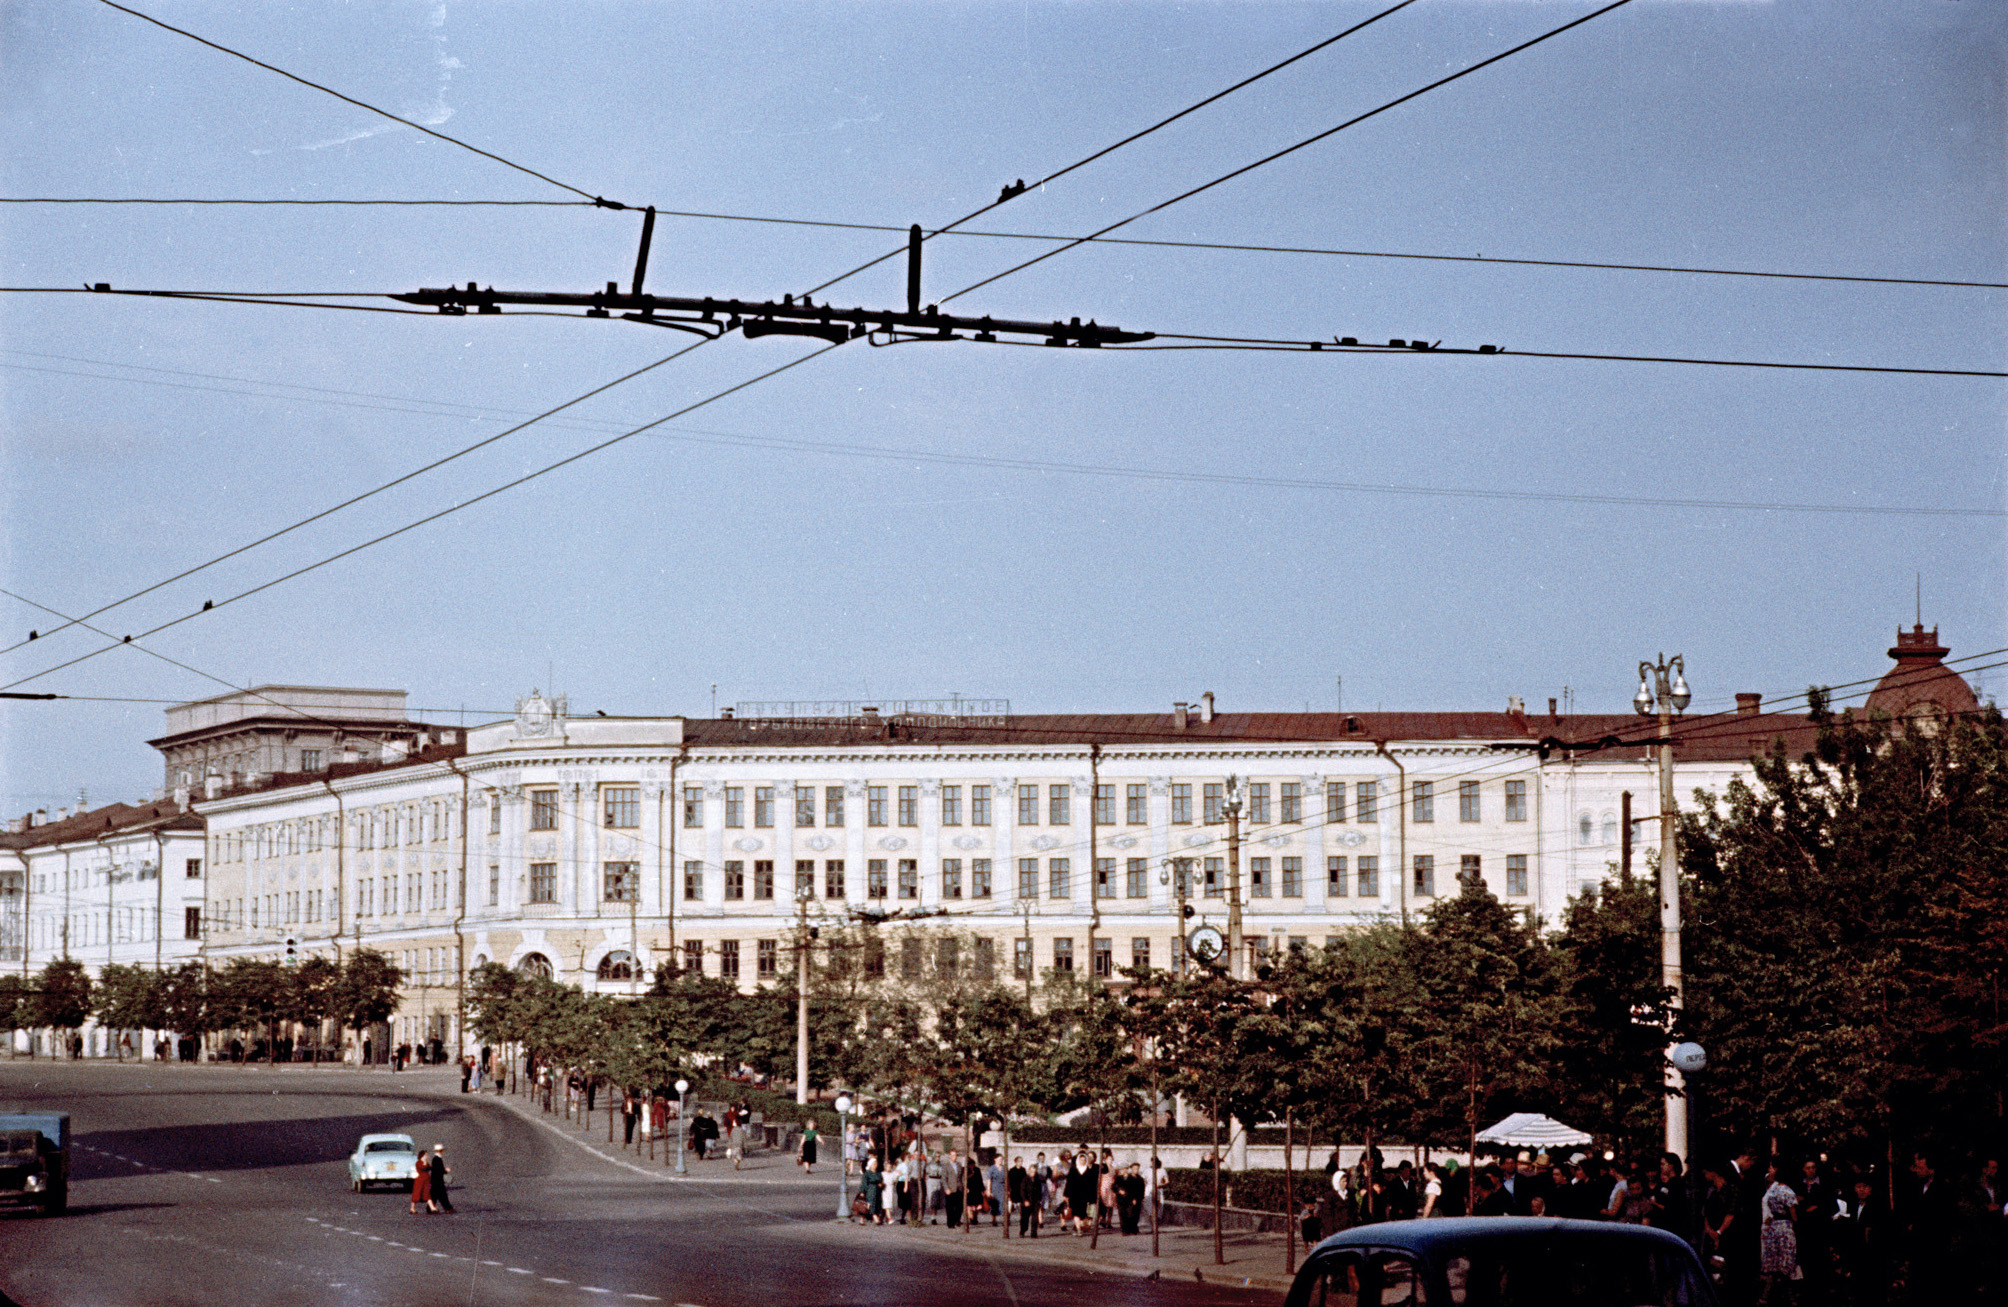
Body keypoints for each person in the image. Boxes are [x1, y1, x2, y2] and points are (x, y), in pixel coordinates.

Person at [1758, 1158, 1799, 1306]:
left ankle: (1765, 1296)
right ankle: (1790, 1297)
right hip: (1785, 1228)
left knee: (1773, 1265)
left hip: (1772, 1227)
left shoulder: (1772, 1190)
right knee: (1785, 1264)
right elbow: (1794, 1215)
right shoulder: (1788, 1191)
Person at [1064, 1151, 1099, 1235]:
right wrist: (1066, 1195)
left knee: (1082, 1214)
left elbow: (1093, 1185)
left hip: (1085, 1195)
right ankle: (1079, 1229)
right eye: (1081, 1160)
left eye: (1084, 1160)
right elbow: (1069, 1183)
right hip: (1074, 1195)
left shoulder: (1089, 1171)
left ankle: (1078, 1228)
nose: (1082, 1161)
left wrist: (1093, 1196)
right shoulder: (1073, 1170)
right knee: (1075, 1212)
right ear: (1078, 1160)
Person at [1009, 1155, 1038, 1237]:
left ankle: (1034, 1233)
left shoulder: (1037, 1179)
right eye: (1031, 1172)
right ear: (1029, 1171)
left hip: (1035, 1201)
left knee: (1035, 1218)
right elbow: (1022, 1190)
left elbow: (1039, 1190)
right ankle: (1022, 1231)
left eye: (1034, 1172)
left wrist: (1039, 1199)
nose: (1033, 1173)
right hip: (1026, 1201)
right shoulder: (1025, 1179)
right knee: (1025, 1218)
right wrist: (1025, 1200)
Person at [1119, 1163, 1146, 1236]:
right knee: (1128, 1215)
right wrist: (1132, 1198)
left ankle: (1134, 1229)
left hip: (1138, 1199)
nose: (1136, 1170)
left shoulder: (1140, 1179)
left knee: (1136, 1215)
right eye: (1134, 1169)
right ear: (1131, 1169)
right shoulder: (1128, 1178)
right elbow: (1128, 1189)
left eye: (1137, 1169)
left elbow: (1142, 1190)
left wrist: (1140, 1198)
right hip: (1128, 1200)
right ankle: (1126, 1230)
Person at [427, 1144, 453, 1214]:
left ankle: (430, 1209)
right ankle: (448, 1208)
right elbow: (439, 1170)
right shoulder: (437, 1159)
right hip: (438, 1181)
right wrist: (446, 1170)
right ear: (440, 1151)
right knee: (442, 1195)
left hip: (435, 1180)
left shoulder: (436, 1159)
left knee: (435, 1195)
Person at [942, 1148, 965, 1229]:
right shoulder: (946, 1166)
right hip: (950, 1188)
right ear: (949, 1156)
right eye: (952, 1155)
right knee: (950, 1207)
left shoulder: (959, 1165)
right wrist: (946, 1188)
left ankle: (957, 1219)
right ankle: (950, 1223)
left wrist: (964, 1186)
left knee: (960, 1206)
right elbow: (944, 1179)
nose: (954, 1157)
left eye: (955, 1155)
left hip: (959, 1188)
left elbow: (962, 1176)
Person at [861, 1154, 885, 1225]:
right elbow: (864, 1183)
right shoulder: (867, 1173)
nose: (875, 1165)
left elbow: (881, 1181)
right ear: (870, 1165)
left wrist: (881, 1185)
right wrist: (862, 1191)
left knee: (876, 1204)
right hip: (870, 1191)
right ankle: (875, 1219)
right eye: (874, 1164)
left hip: (877, 1191)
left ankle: (862, 1219)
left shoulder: (878, 1173)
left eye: (876, 1163)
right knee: (870, 1204)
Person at [1098, 1149, 1118, 1230]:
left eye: (1111, 1159)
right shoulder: (1102, 1168)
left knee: (1111, 1206)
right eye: (1108, 1159)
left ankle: (1109, 1221)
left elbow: (1116, 1178)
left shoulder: (1114, 1169)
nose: (1110, 1161)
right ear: (1105, 1160)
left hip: (1111, 1189)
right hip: (1104, 1188)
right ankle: (1103, 1219)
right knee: (1104, 1205)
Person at [410, 1146, 433, 1215]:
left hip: (427, 1181)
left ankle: (432, 1207)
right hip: (420, 1181)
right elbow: (424, 1167)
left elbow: (430, 1167)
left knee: (427, 1194)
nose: (427, 1156)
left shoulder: (426, 1162)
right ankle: (412, 1208)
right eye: (426, 1155)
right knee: (417, 1195)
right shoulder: (418, 1163)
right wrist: (426, 1163)